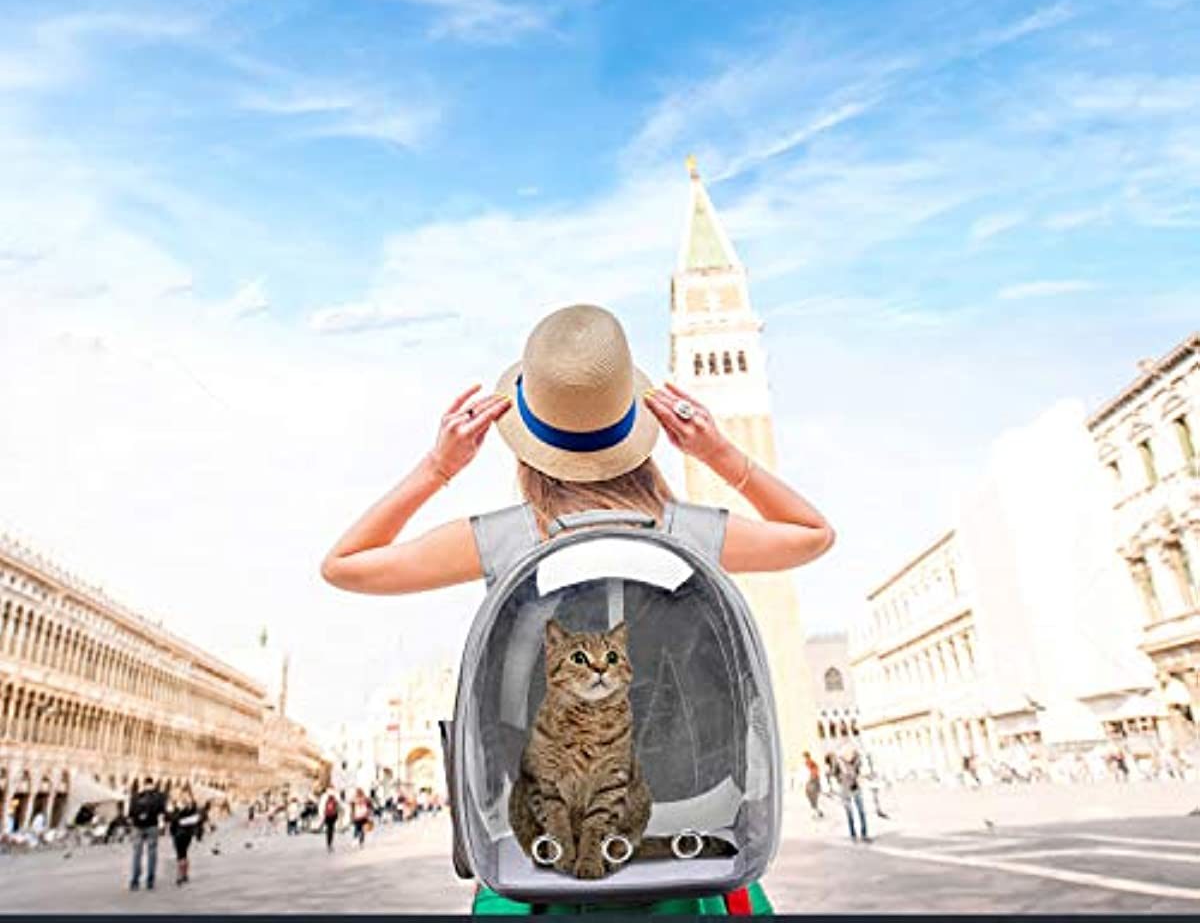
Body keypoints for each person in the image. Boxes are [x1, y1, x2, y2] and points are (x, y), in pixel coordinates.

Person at [321, 304, 835, 914]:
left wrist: (440, 467)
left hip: (537, 863)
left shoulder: (504, 538)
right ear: (638, 435)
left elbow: (344, 564)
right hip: (693, 864)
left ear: (527, 448)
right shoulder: (688, 532)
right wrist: (717, 452)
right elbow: (812, 534)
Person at [128, 775, 167, 890]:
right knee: (152, 854)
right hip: (152, 826)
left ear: (144, 785)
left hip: (137, 827)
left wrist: (139, 816)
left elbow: (130, 813)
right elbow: (162, 810)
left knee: (136, 855)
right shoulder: (159, 796)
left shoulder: (135, 796)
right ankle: (150, 881)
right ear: (152, 784)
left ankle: (135, 881)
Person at [835, 744, 869, 843]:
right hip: (845, 790)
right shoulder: (839, 762)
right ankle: (853, 835)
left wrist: (859, 777)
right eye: (848, 753)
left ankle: (864, 834)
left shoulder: (857, 760)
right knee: (849, 814)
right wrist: (841, 779)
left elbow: (860, 771)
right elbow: (833, 772)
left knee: (861, 812)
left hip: (856, 788)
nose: (850, 755)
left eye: (852, 753)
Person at [168, 786, 203, 886]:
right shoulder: (193, 805)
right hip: (186, 832)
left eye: (184, 795)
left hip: (180, 832)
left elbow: (174, 818)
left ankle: (180, 876)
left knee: (180, 854)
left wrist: (178, 817)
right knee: (184, 853)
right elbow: (197, 819)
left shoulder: (184, 805)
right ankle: (185, 874)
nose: (183, 796)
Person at [802, 750, 824, 819]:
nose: (804, 758)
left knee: (813, 798)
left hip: (813, 782)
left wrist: (812, 778)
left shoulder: (810, 762)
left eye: (804, 757)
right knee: (811, 797)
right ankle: (817, 811)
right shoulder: (808, 762)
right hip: (813, 782)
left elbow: (815, 771)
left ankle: (816, 812)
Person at [320, 787, 339, 852]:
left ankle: (329, 843)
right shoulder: (335, 796)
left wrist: (322, 815)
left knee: (329, 829)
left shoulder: (324, 797)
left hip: (327, 815)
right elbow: (339, 806)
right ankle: (330, 843)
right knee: (331, 829)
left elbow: (321, 806)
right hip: (333, 815)